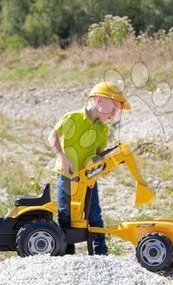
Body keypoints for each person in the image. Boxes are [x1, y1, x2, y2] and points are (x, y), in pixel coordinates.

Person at [48, 81, 131, 255]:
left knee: (94, 214)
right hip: (67, 176)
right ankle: (66, 252)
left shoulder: (102, 129)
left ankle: (100, 252)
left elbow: (100, 153)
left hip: (88, 178)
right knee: (66, 214)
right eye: (114, 108)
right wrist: (62, 157)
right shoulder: (72, 118)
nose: (114, 114)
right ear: (100, 101)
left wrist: (104, 164)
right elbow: (53, 136)